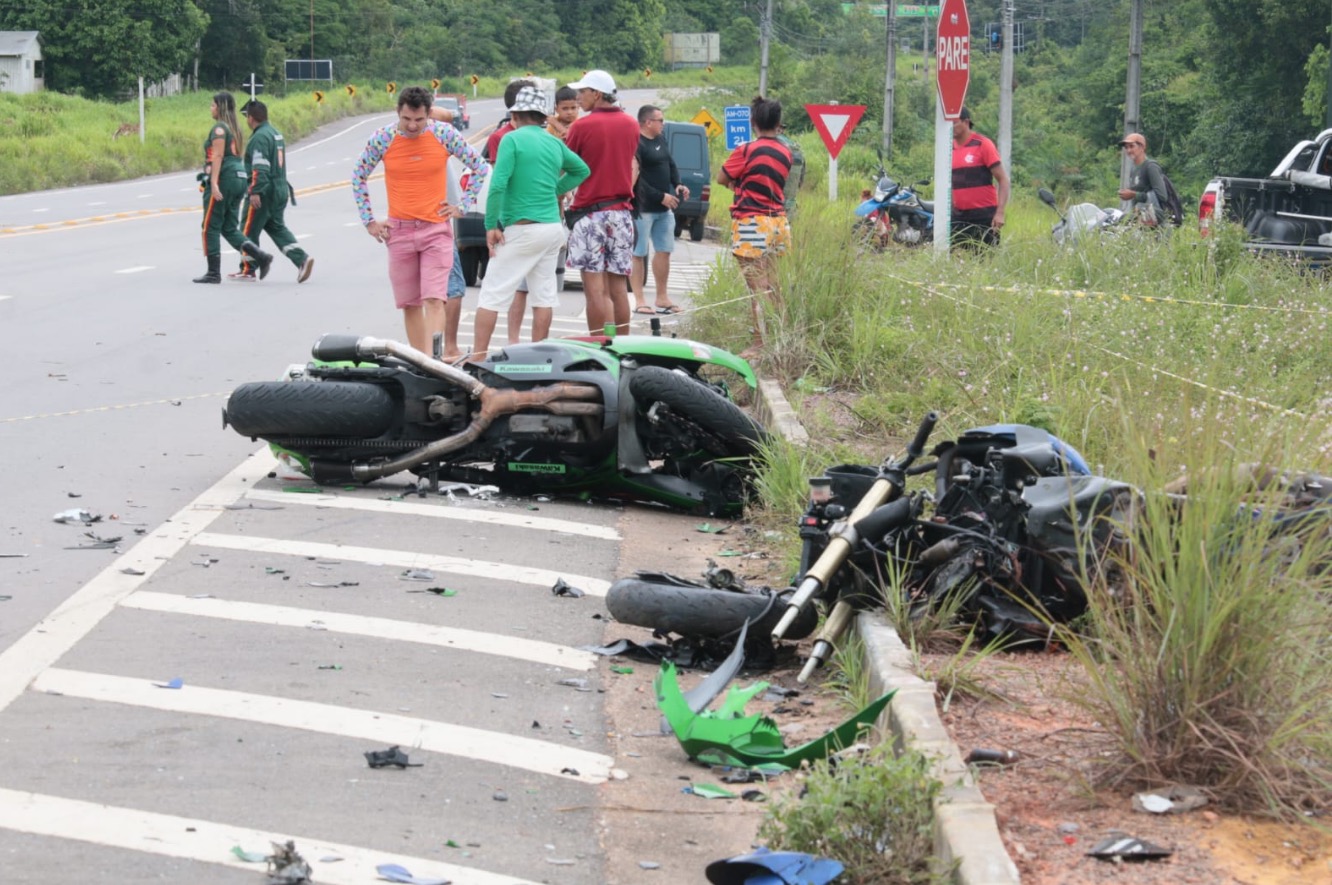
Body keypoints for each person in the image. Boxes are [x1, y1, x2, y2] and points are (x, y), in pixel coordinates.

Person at [351, 86, 489, 357]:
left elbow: (479, 166)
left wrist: (462, 205)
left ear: (429, 114)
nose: (412, 126)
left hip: (435, 231)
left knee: (435, 299)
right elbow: (358, 176)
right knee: (410, 303)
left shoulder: (443, 134)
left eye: (419, 119)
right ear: (397, 113)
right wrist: (369, 221)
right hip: (398, 232)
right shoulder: (383, 138)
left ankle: (434, 359)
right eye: (406, 119)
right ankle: (420, 360)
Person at [470, 85, 589, 361]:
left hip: (522, 228)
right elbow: (582, 170)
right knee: (543, 295)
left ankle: (477, 359)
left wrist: (491, 225)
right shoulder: (554, 142)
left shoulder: (512, 140)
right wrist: (558, 189)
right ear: (543, 116)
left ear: (517, 115)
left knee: (491, 294)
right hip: (551, 229)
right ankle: (540, 358)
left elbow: (498, 184)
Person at [564, 69, 640, 336]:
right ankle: (622, 344)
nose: (578, 97)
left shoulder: (581, 127)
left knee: (595, 291)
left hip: (590, 215)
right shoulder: (631, 124)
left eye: (583, 92)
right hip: (621, 214)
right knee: (619, 289)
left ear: (596, 94)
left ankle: (599, 345)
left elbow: (567, 167)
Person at [717, 95, 792, 361]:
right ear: (778, 122)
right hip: (779, 222)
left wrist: (738, 187)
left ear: (753, 122)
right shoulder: (786, 152)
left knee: (756, 287)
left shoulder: (747, 150)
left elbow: (721, 177)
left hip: (752, 222)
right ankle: (780, 337)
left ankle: (760, 345)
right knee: (774, 285)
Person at [194, 91, 272, 284]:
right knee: (229, 227)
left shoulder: (219, 129)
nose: (210, 109)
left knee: (210, 226)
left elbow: (218, 156)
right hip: (238, 178)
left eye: (213, 105)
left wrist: (213, 183)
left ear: (220, 107)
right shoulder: (233, 128)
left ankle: (213, 272)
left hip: (225, 178)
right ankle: (260, 256)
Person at [236, 101, 315, 283]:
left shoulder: (259, 138)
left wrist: (255, 191)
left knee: (247, 229)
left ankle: (248, 269)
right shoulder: (275, 133)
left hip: (264, 191)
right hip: (280, 189)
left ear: (251, 118)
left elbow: (260, 168)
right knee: (276, 228)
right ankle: (302, 259)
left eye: (246, 116)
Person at [631, 104, 689, 317]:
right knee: (638, 252)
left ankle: (662, 297)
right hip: (643, 207)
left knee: (664, 250)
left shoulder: (660, 139)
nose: (663, 124)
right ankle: (639, 299)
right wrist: (660, 196)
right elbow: (637, 180)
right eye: (660, 120)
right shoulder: (636, 143)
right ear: (648, 122)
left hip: (665, 209)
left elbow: (670, 164)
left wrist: (678, 184)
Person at [950, 106, 1010, 249]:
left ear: (966, 122)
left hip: (984, 216)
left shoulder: (982, 144)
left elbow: (1003, 180)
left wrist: (1000, 213)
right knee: (958, 261)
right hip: (959, 216)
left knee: (985, 260)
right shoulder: (948, 148)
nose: (951, 127)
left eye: (954, 123)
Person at [1117, 133, 1168, 226]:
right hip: (1140, 219)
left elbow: (1162, 196)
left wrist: (1134, 194)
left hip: (1155, 222)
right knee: (1118, 220)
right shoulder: (1134, 169)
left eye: (1132, 146)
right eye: (1126, 147)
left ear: (1142, 147)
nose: (1128, 150)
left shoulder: (1151, 167)